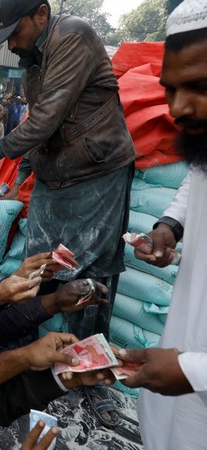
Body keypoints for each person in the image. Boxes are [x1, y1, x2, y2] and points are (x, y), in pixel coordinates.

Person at [0, 0, 136, 427]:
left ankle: (91, 373)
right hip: (54, 178)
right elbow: (42, 129)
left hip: (97, 173)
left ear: (40, 14)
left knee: (90, 272)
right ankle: (26, 347)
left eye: (15, 33)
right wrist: (14, 174)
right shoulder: (32, 63)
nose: (14, 45)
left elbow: (45, 118)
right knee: (39, 266)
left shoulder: (72, 35)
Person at [115, 1, 207, 448]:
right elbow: (197, 181)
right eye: (170, 89)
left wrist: (192, 369)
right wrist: (167, 228)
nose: (177, 108)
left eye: (200, 86)